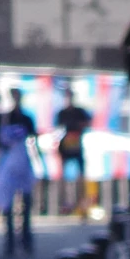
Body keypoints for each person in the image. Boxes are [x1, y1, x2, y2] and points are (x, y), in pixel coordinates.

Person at [0, 92, 38, 259]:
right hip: (8, 167)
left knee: (26, 203)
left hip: (23, 165)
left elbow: (33, 141)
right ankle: (10, 240)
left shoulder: (26, 118)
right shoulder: (4, 119)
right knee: (8, 204)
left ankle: (26, 238)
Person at [52, 84, 92, 216]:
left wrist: (78, 127)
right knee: (63, 177)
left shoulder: (79, 112)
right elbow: (57, 129)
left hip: (77, 146)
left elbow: (88, 122)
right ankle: (64, 204)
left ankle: (81, 204)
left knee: (80, 176)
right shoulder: (62, 113)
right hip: (65, 146)